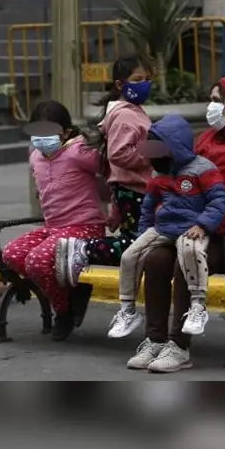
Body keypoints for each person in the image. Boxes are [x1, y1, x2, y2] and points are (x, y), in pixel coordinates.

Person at [130, 75, 225, 372]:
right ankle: (155, 340)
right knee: (156, 259)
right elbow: (182, 177)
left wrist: (208, 221)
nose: (211, 106)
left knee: (185, 261)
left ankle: (179, 346)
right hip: (189, 226)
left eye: (217, 100)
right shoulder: (206, 140)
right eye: (211, 100)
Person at [109, 116, 225, 357]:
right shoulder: (158, 174)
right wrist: (143, 234)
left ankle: (197, 306)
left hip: (191, 228)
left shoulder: (203, 169)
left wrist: (203, 224)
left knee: (190, 251)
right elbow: (148, 206)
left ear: (174, 148)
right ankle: (128, 310)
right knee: (131, 255)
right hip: (163, 228)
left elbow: (220, 200)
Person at [1, 100, 105, 341]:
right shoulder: (35, 157)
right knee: (12, 254)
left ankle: (64, 311)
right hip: (54, 229)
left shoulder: (79, 152)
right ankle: (72, 293)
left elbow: (110, 168)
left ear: (65, 133)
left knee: (37, 261)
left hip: (85, 227)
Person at [55, 55, 154, 287]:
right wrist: (154, 154)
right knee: (140, 244)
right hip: (134, 190)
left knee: (143, 243)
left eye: (148, 79)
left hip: (132, 189)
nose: (144, 84)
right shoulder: (125, 115)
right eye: (137, 79)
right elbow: (119, 154)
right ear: (120, 84)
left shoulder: (131, 111)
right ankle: (83, 249)